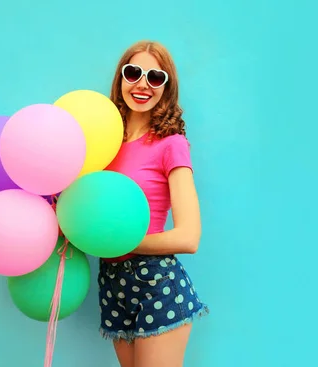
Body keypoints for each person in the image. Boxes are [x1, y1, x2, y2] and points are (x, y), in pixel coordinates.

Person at [98, 40, 208, 367]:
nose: (143, 83)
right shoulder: (102, 145)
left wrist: (121, 243)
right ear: (120, 79)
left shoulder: (171, 145)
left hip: (157, 283)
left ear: (166, 87)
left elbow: (189, 237)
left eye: (155, 77)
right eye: (133, 72)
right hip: (112, 282)